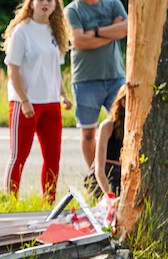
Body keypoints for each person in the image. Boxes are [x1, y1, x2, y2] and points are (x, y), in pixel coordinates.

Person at [2, 0, 73, 203]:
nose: (45, 3)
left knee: (53, 158)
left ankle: (48, 203)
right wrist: (24, 100)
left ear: (55, 6)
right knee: (19, 156)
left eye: (50, 1)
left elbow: (54, 69)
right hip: (25, 103)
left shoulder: (55, 31)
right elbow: (12, 70)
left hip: (50, 103)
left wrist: (63, 94)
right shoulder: (22, 32)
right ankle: (10, 201)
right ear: (31, 4)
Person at [64, 0, 127, 185]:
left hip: (115, 76)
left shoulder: (113, 3)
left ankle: (121, 175)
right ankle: (97, 178)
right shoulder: (72, 11)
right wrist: (112, 30)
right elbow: (79, 41)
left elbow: (127, 29)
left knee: (123, 126)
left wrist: (96, 32)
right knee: (88, 134)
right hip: (86, 80)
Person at [94, 84, 127, 196]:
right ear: (123, 102)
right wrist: (109, 195)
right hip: (106, 176)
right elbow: (99, 170)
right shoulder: (107, 126)